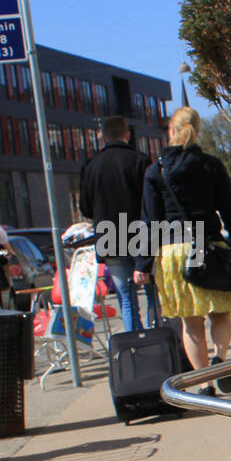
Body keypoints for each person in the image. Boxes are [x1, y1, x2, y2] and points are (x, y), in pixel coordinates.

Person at [140, 107, 231, 397]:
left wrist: (143, 263)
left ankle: (205, 384)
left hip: (174, 254)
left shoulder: (155, 171)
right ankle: (220, 360)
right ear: (198, 130)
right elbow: (230, 212)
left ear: (171, 132)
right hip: (210, 247)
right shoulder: (211, 165)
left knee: (191, 322)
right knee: (222, 313)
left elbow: (150, 223)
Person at [79, 115, 156, 331]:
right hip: (141, 237)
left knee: (126, 299)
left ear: (102, 137)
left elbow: (85, 208)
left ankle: (136, 349)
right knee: (153, 294)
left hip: (110, 240)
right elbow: (151, 201)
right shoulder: (141, 161)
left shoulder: (90, 166)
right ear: (127, 135)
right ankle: (159, 342)